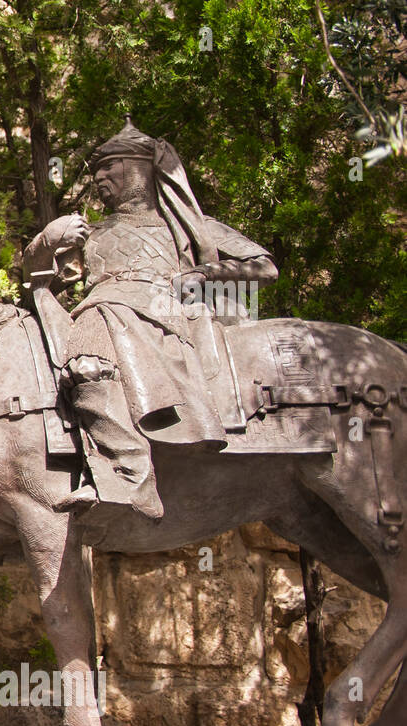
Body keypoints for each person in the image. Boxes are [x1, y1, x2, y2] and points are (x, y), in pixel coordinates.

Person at [25, 117, 278, 519]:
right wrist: (47, 241)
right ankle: (130, 472)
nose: (100, 177)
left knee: (95, 337)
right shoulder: (91, 234)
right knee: (87, 363)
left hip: (161, 312)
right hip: (108, 310)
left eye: (110, 167)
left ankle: (128, 474)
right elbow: (37, 282)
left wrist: (204, 273)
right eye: (97, 170)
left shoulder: (189, 228)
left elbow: (263, 267)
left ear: (140, 169)